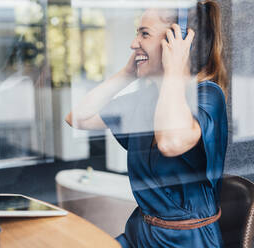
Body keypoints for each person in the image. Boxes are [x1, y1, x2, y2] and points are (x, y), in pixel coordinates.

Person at [66, 0, 228, 247]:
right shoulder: (145, 99)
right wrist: (126, 74)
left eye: (144, 34)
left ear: (178, 41)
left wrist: (175, 69)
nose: (134, 44)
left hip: (186, 241)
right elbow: (78, 117)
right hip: (140, 233)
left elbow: (171, 142)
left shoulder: (208, 95)